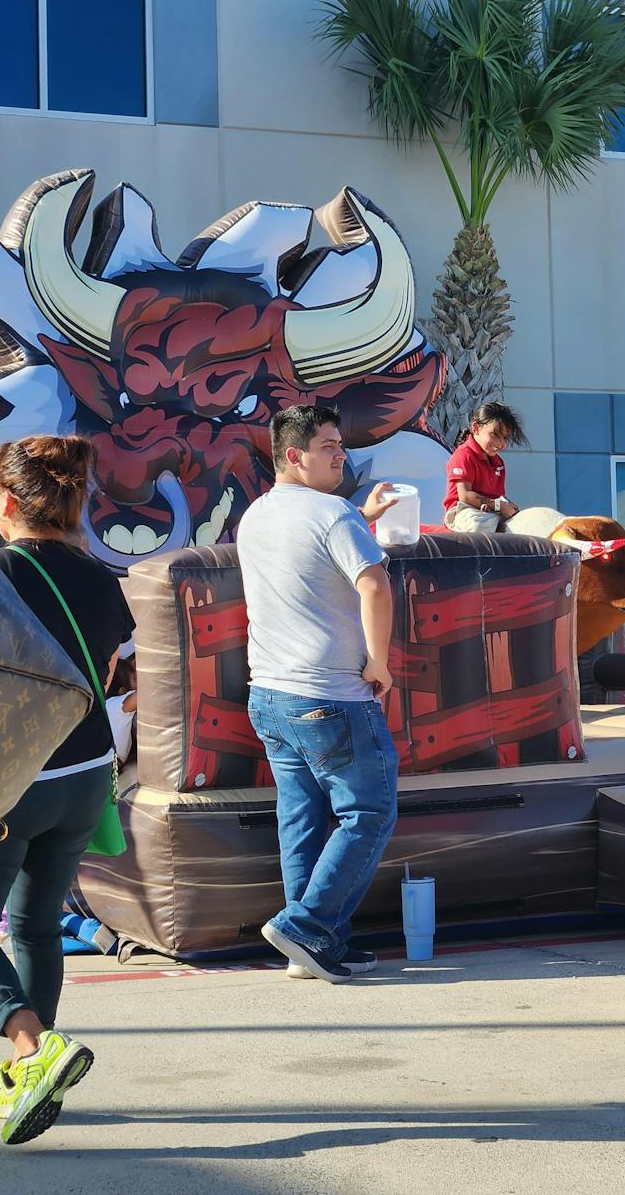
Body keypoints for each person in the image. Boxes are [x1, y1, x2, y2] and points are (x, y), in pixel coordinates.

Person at [0, 436, 134, 1144]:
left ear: (7, 501)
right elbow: (105, 676)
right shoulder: (101, 577)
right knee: (37, 926)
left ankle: (31, 1048)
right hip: (83, 779)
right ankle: (31, 1082)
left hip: (16, 784)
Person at [238, 404, 400, 983]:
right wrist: (378, 662)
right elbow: (375, 584)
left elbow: (308, 540)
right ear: (293, 455)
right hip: (332, 695)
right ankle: (307, 926)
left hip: (271, 696)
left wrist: (363, 513)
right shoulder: (333, 515)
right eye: (328, 445)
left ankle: (313, 943)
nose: (341, 453)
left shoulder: (256, 515)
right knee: (370, 812)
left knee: (302, 818)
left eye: (340, 443)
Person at [443, 401, 528, 533]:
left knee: (523, 524)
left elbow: (499, 497)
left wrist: (509, 507)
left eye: (505, 437)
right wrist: (500, 506)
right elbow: (465, 496)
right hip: (463, 511)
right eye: (495, 434)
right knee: (479, 525)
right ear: (476, 428)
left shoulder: (498, 462)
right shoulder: (463, 455)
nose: (500, 443)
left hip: (491, 511)